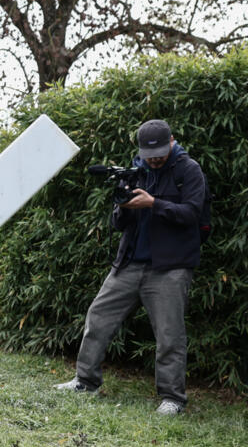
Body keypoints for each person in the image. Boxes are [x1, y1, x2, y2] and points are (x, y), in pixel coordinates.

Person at [55, 120, 206, 416]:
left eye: (160, 152)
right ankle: (85, 382)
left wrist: (154, 203)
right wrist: (122, 205)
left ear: (172, 141)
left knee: (169, 334)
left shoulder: (188, 171)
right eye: (149, 155)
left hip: (170, 268)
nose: (155, 159)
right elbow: (117, 224)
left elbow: (191, 213)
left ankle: (172, 398)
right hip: (129, 264)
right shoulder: (135, 171)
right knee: (97, 317)